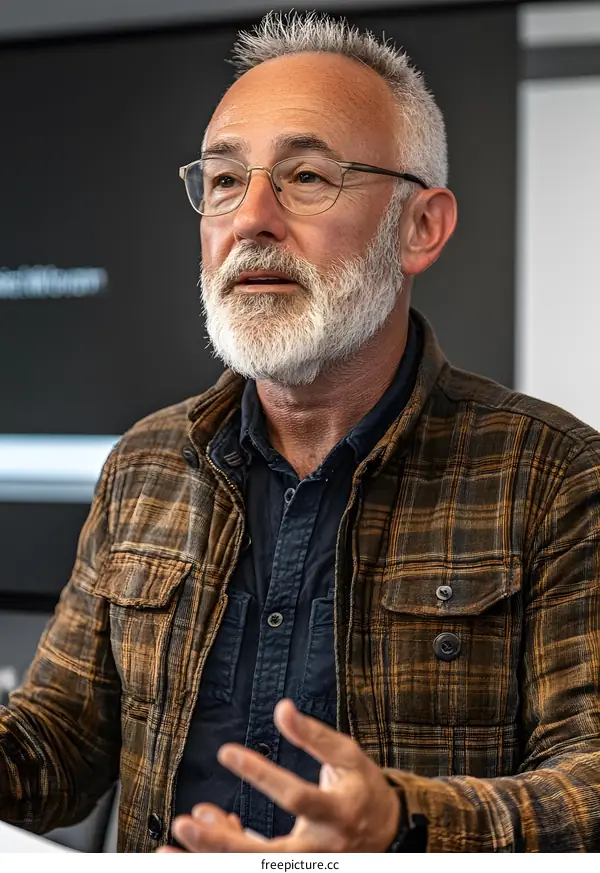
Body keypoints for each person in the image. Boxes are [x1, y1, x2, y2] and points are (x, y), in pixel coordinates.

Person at [1, 11, 599, 854]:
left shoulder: (554, 477)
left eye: (307, 176)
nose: (251, 219)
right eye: (221, 182)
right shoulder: (147, 464)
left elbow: (590, 774)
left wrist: (402, 822)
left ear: (420, 225)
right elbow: (56, 742)